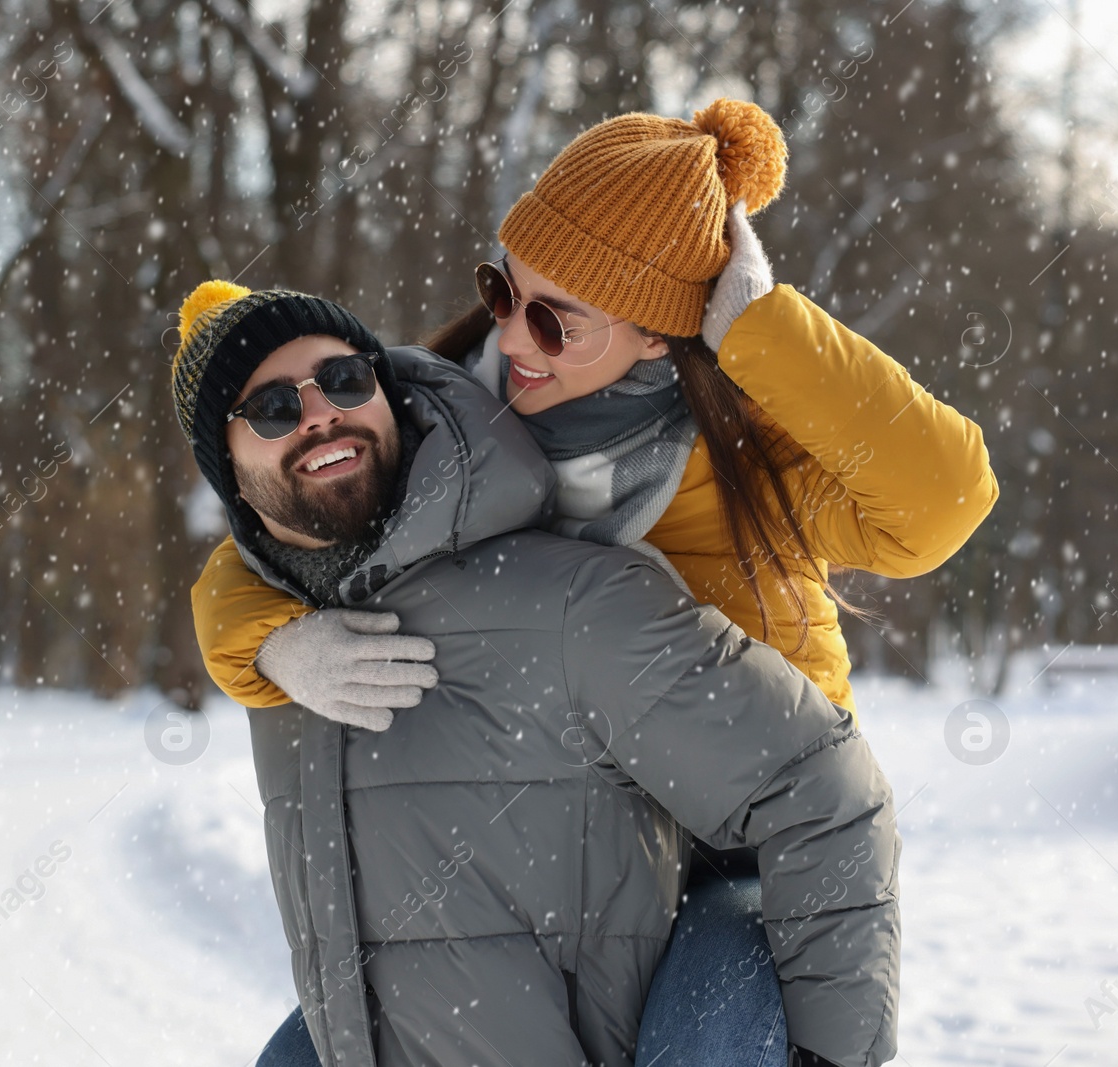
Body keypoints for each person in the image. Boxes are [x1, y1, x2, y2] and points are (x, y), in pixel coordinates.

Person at [189, 100, 996, 1065]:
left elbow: (943, 501)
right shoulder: (465, 405)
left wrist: (761, 329)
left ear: (659, 334)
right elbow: (274, 539)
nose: (516, 340)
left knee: (700, 1041)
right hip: (578, 837)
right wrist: (272, 638)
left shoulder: (740, 453)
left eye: (557, 321)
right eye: (503, 290)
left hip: (739, 839)